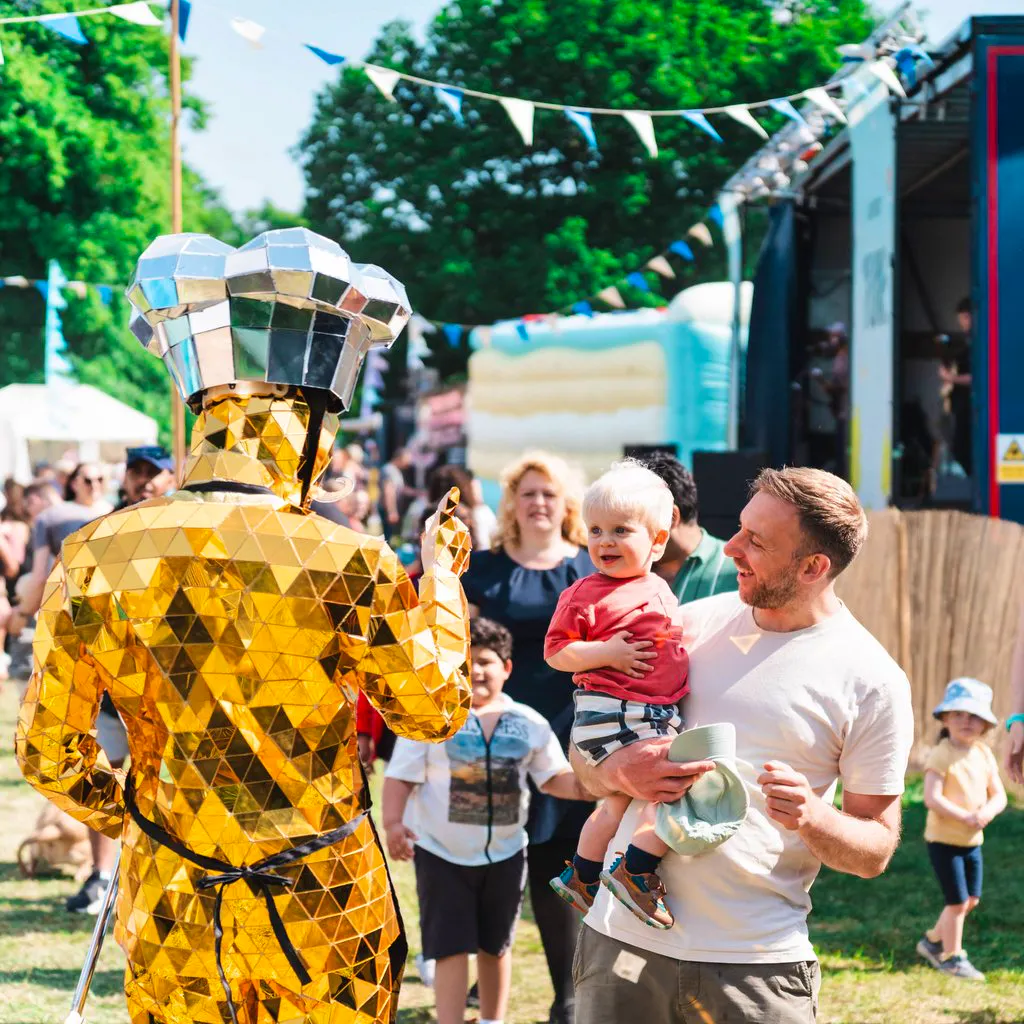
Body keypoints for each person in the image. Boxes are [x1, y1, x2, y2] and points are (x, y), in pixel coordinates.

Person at [17, 228, 473, 1024]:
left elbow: (47, 755)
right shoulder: (349, 558)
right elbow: (432, 709)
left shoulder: (96, 552)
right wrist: (441, 586)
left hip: (171, 901)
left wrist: (141, 818)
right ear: (310, 429)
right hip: (324, 906)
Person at [570, 466, 915, 1024]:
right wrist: (617, 772)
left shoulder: (871, 678)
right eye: (739, 528)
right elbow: (584, 758)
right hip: (620, 945)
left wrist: (812, 818)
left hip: (753, 968)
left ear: (813, 567)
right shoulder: (685, 624)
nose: (729, 547)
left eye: (755, 541)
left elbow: (875, 849)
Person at [382, 617, 590, 1024]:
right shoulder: (434, 720)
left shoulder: (528, 722)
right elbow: (399, 777)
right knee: (450, 946)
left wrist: (596, 785)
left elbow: (555, 779)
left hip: (506, 854)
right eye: (464, 662)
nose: (475, 670)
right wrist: (393, 824)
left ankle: (492, 1020)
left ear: (507, 668)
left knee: (497, 944)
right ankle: (451, 1019)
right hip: (441, 853)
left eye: (486, 661)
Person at [461, 451, 594, 1024]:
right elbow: (454, 647)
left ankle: (568, 997)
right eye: (527, 493)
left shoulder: (591, 568)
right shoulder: (483, 571)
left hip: (573, 728)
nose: (538, 503)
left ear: (567, 505)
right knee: (481, 855)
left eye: (550, 493)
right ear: (511, 503)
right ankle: (476, 980)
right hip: (495, 731)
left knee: (557, 860)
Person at [546, 462, 687, 929]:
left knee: (618, 803)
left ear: (658, 540)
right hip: (614, 713)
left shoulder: (655, 586)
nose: (604, 541)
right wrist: (606, 651)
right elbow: (556, 652)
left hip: (648, 714)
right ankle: (636, 871)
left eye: (621, 530)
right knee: (676, 784)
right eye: (596, 530)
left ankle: (583, 875)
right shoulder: (584, 594)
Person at [916, 678, 1006, 981]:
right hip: (944, 841)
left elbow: (999, 794)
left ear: (985, 724)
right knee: (956, 903)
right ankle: (952, 958)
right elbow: (932, 797)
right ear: (945, 718)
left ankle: (932, 942)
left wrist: (986, 813)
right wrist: (964, 816)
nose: (966, 721)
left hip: (972, 841)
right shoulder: (942, 753)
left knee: (970, 901)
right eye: (959, 714)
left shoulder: (982, 754)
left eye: (974, 716)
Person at [642, 452, 739, 602]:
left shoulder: (741, 570)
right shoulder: (617, 571)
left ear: (670, 517)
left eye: (628, 521)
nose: (612, 539)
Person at [938, 297, 973, 477]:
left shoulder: (979, 343)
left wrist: (950, 377)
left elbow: (979, 377)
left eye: (964, 318)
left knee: (962, 448)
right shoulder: (967, 343)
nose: (962, 324)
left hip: (970, 407)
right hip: (961, 406)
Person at [381, 447, 415, 540]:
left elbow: (402, 488)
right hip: (388, 509)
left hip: (391, 509)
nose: (408, 462)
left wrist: (418, 493)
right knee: (388, 537)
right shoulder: (389, 470)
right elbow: (389, 491)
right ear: (400, 458)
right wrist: (391, 511)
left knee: (392, 536)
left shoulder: (395, 471)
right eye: (407, 459)